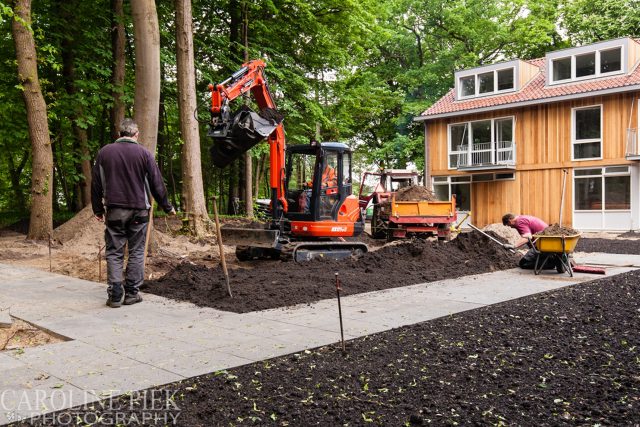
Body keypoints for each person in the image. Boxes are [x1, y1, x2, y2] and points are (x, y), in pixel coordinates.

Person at [91, 119, 175, 308]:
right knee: (136, 251)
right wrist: (167, 207)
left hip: (114, 210)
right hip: (139, 211)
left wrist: (97, 209)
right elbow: (157, 183)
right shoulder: (144, 153)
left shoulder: (104, 152)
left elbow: (96, 183)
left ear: (119, 134)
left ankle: (115, 293)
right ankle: (132, 293)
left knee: (114, 251)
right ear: (136, 134)